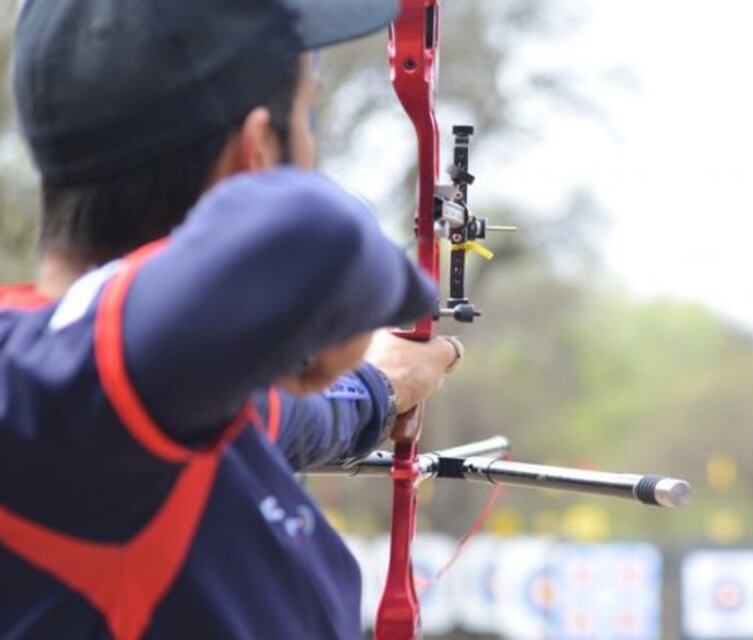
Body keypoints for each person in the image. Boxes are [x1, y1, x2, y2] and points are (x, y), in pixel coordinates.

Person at [0, 0, 457, 638]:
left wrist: (382, 388)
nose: (312, 140)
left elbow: (290, 415)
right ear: (255, 158)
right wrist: (389, 291)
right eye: (307, 112)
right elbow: (318, 235)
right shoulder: (60, 394)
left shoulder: (164, 398)